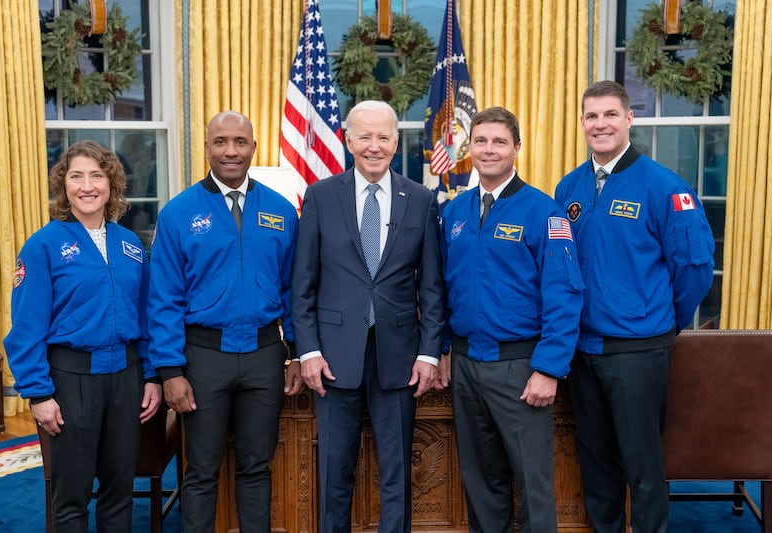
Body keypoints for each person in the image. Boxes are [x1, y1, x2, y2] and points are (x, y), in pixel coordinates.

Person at [554, 80, 715, 532]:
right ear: (582, 122)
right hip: (582, 351)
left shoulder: (665, 187)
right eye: (591, 116)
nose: (600, 124)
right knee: (597, 464)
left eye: (610, 114)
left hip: (638, 351)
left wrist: (663, 322)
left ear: (629, 119)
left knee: (643, 467)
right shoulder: (569, 188)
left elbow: (695, 269)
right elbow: (560, 266)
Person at [292, 100, 444, 533]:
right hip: (334, 360)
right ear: (348, 140)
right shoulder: (321, 196)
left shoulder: (420, 199)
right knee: (334, 471)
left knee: (397, 472)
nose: (373, 146)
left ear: (396, 143)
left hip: (400, 358)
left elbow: (431, 287)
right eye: (365, 136)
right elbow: (302, 284)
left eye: (383, 137)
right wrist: (308, 351)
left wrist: (430, 354)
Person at [147, 111, 302, 533]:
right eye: (220, 142)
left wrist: (300, 355)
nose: (230, 151)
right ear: (207, 148)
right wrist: (170, 371)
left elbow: (294, 290)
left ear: (253, 147)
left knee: (256, 466)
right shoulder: (178, 213)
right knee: (200, 470)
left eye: (239, 141)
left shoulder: (282, 210)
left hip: (264, 356)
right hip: (203, 358)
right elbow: (162, 299)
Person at [436, 106, 584, 531]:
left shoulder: (544, 212)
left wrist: (549, 369)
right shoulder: (454, 213)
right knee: (481, 484)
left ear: (516, 148)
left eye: (499, 141)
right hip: (466, 366)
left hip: (520, 369)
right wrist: (445, 348)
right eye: (480, 141)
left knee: (533, 486)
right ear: (470, 148)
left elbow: (565, 293)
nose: (489, 150)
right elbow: (444, 289)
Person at [4, 140, 162, 531]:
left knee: (118, 490)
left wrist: (153, 375)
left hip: (126, 379)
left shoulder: (131, 245)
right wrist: (39, 393)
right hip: (70, 380)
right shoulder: (42, 246)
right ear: (64, 185)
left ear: (112, 184)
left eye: (97, 175)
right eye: (76, 176)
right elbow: (25, 329)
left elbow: (147, 317)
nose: (87, 186)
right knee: (72, 495)